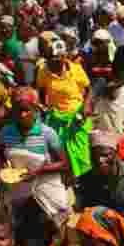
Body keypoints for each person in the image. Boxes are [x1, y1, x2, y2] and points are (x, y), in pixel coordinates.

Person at [0, 88, 72, 246]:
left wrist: (39, 170)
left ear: (35, 110)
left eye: (26, 110)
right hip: (17, 188)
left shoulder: (47, 134)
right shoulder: (5, 133)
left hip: (43, 186)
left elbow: (64, 164)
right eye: (18, 110)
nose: (22, 115)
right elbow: (2, 156)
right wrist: (4, 166)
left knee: (41, 227)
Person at [37, 38, 93, 178]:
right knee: (61, 155)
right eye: (49, 59)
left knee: (81, 153)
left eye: (55, 59)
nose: (51, 63)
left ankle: (84, 181)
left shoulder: (76, 70)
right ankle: (69, 182)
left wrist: (85, 107)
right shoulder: (43, 71)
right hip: (56, 119)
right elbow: (40, 91)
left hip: (77, 117)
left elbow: (89, 90)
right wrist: (42, 106)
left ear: (63, 58)